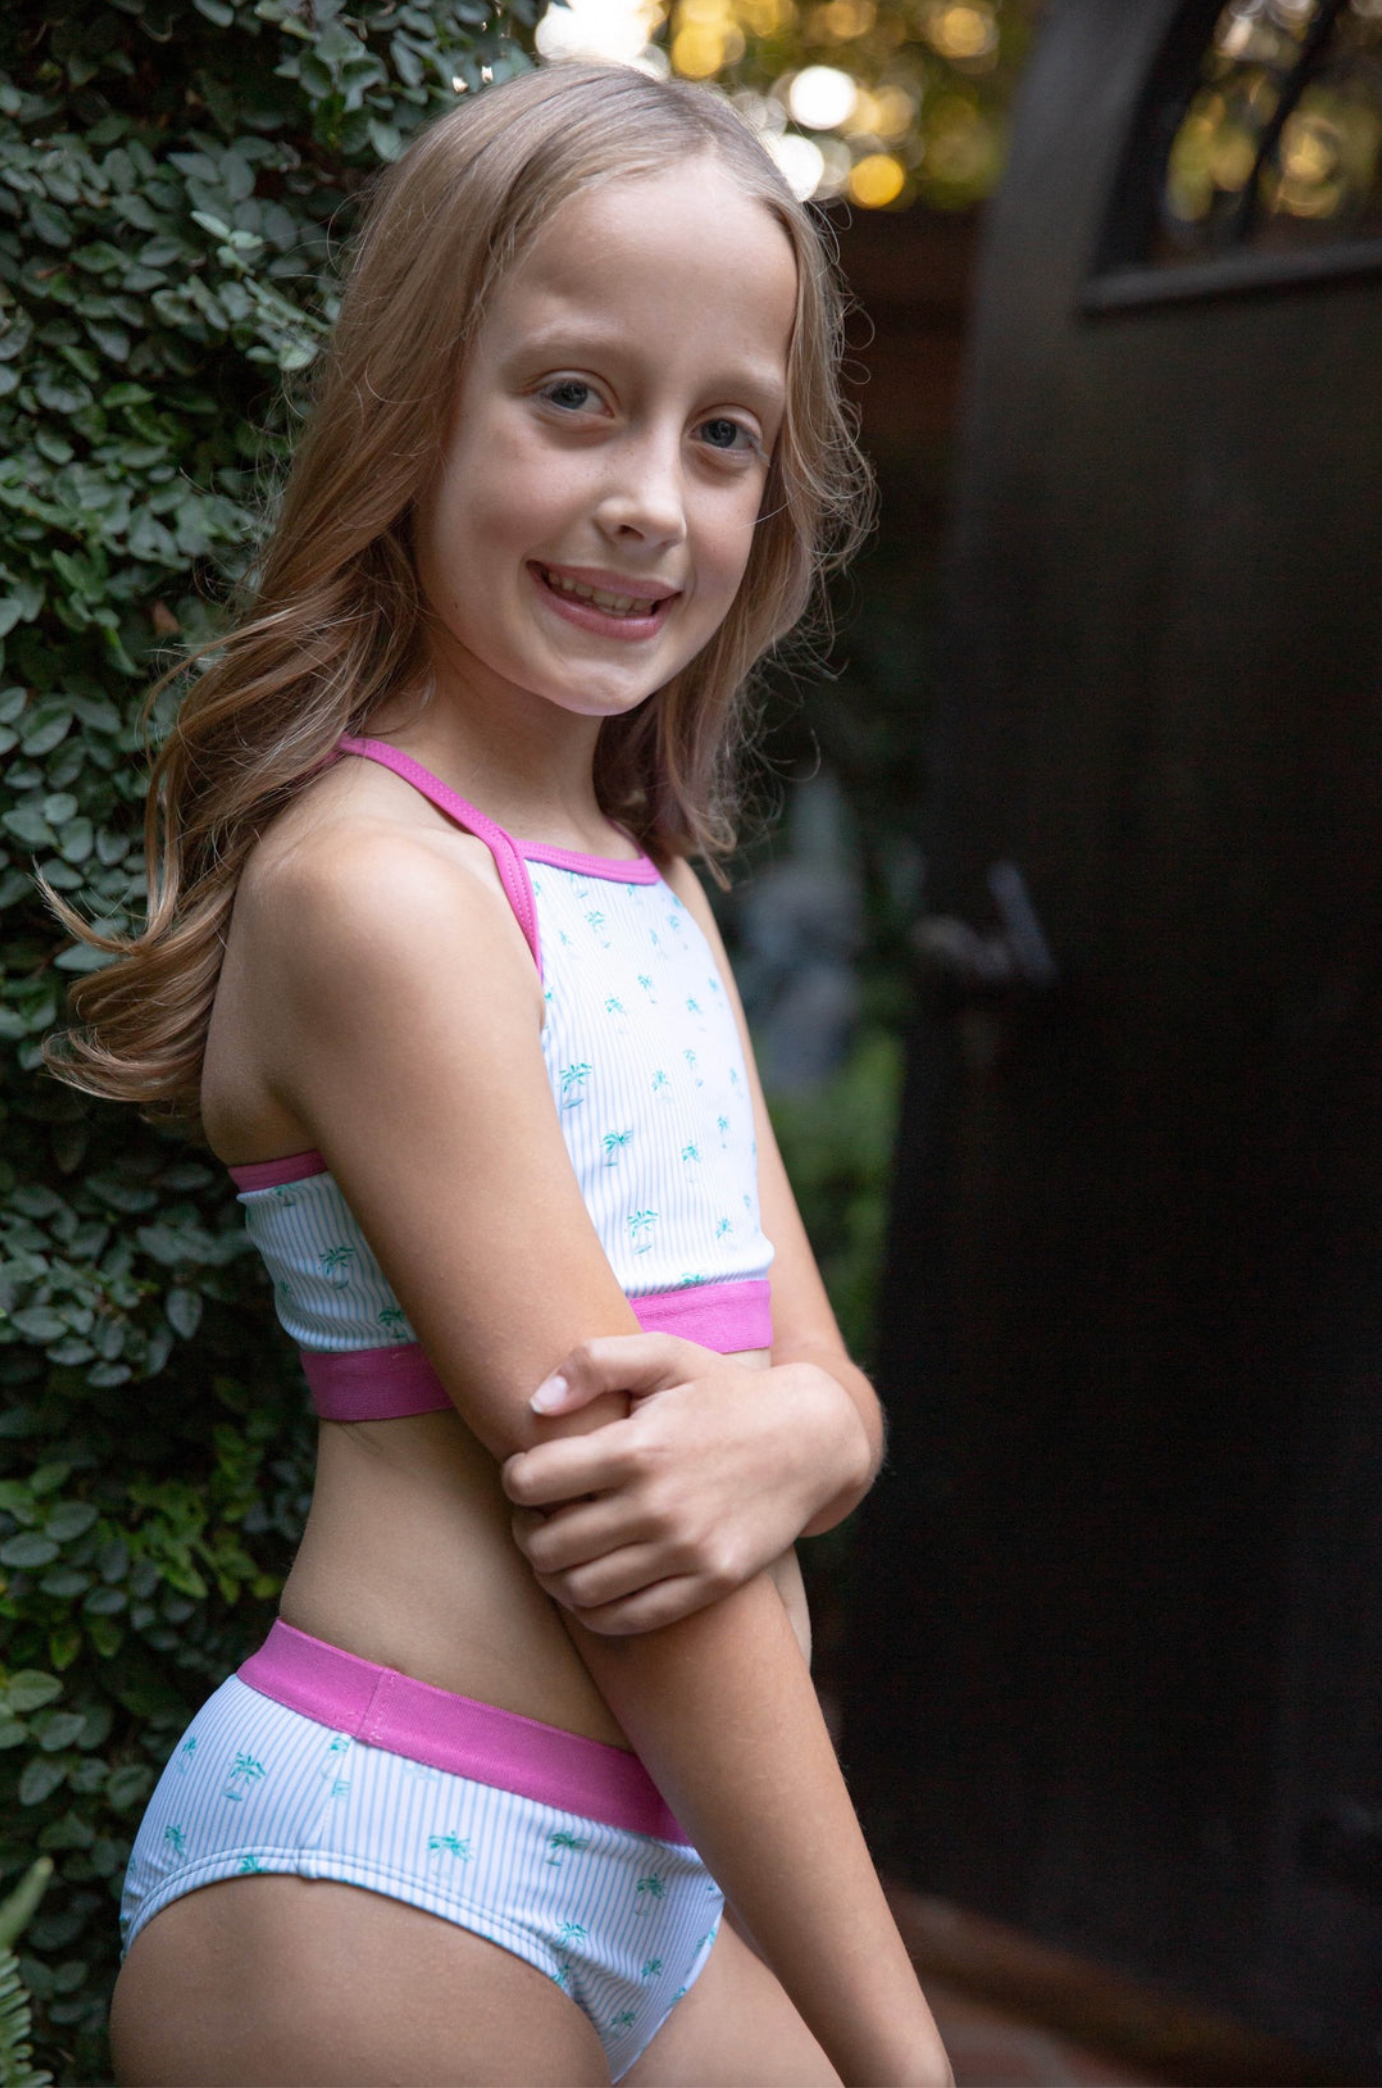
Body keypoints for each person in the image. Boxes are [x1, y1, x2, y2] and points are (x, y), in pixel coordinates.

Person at [47, 61, 952, 2088]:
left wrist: (818, 1431)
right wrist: (906, 2056)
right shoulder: (383, 896)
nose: (651, 497)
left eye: (722, 434)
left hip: (674, 1878)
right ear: (413, 408)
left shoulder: (648, 880)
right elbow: (629, 1558)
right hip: (390, 1874)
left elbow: (816, 1377)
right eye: (573, 397)